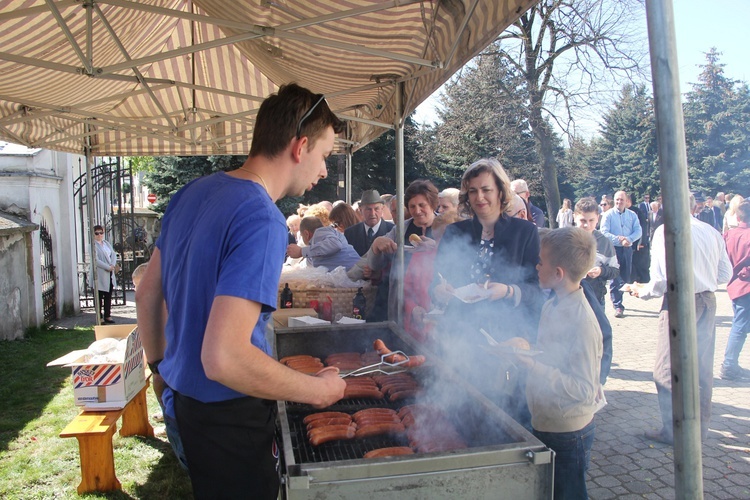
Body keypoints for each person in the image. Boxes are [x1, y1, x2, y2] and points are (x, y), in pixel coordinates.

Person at [135, 83, 347, 500]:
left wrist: (158, 367)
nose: (324, 171)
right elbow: (224, 358)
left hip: (185, 404)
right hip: (228, 418)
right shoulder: (262, 218)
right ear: (300, 147)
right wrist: (318, 390)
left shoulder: (189, 193)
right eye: (324, 156)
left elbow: (146, 292)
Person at [433, 159, 542, 425]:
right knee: (462, 413)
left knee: (503, 418)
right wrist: (438, 291)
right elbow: (436, 281)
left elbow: (537, 291)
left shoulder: (524, 232)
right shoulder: (454, 232)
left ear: (501, 192)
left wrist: (508, 290)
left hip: (505, 343)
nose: (479, 197)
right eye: (472, 191)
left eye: (486, 189)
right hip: (460, 338)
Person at [629, 193, 732, 444]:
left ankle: (673, 430)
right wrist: (702, 278)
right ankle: (700, 429)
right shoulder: (710, 231)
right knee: (701, 368)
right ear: (694, 207)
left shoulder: (665, 231)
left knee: (666, 369)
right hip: (708, 300)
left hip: (679, 302)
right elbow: (725, 273)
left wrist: (642, 291)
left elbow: (661, 281)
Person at [517, 227, 602, 500]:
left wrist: (533, 367)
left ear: (558, 273)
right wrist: (526, 351)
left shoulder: (583, 322)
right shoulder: (551, 304)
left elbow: (585, 389)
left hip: (568, 432)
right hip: (546, 419)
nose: (536, 266)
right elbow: (551, 356)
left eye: (541, 261)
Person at [353, 180, 440, 322]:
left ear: (432, 203)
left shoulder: (444, 227)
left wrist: (437, 248)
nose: (417, 211)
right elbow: (375, 265)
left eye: (422, 205)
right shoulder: (401, 229)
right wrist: (376, 246)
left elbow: (454, 263)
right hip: (401, 301)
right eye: (412, 206)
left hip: (432, 301)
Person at [720, 200, 750, 380]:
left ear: (738, 216)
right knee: (740, 326)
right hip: (746, 286)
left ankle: (731, 364)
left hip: (735, 285)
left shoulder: (729, 234)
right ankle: (729, 365)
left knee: (741, 325)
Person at [600, 191, 642, 318]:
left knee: (625, 277)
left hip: (627, 249)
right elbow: (604, 232)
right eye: (617, 200)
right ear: (614, 200)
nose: (619, 202)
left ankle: (620, 299)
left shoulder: (632, 215)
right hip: (614, 250)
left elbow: (638, 230)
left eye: (622, 200)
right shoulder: (608, 215)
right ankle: (618, 305)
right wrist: (619, 240)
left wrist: (629, 239)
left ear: (626, 201)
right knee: (615, 278)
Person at [574, 198, 620, 309]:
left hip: (595, 299)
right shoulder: (564, 240)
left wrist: (601, 271)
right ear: (574, 217)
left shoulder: (604, 242)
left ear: (597, 219)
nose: (587, 225)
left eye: (591, 221)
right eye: (583, 221)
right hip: (569, 300)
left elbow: (615, 270)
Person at [287, 215, 361, 271]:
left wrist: (301, 251)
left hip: (354, 275)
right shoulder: (317, 246)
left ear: (307, 234)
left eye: (302, 236)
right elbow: (308, 264)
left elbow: (335, 245)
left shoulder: (319, 232)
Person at [344, 189, 395, 256]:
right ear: (360, 210)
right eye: (368, 209)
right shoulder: (350, 233)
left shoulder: (393, 230)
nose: (372, 213)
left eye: (376, 209)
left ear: (382, 208)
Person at [93, 225, 117, 324]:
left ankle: (108, 315)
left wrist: (112, 265)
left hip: (110, 273)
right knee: (99, 296)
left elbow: (113, 254)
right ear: (94, 234)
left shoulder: (106, 243)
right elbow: (96, 260)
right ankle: (100, 317)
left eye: (101, 233)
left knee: (108, 295)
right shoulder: (93, 245)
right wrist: (107, 267)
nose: (99, 235)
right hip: (100, 273)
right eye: (97, 233)